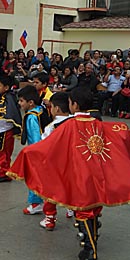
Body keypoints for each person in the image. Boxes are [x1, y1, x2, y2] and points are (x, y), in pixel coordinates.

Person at [8, 87, 130, 260]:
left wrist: (28, 153)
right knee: (95, 205)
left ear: (74, 105)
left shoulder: (67, 127)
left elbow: (48, 146)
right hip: (99, 173)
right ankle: (93, 235)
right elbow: (120, 134)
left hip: (80, 174)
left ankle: (90, 248)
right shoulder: (98, 124)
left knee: (82, 208)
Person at [36, 91, 73, 230]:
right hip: (73, 165)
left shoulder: (52, 127)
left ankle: (50, 219)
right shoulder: (75, 123)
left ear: (56, 108)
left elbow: (44, 146)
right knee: (71, 188)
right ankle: (72, 209)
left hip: (56, 166)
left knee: (51, 192)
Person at [16, 86, 51, 215]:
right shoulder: (41, 110)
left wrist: (34, 152)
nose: (19, 104)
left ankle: (36, 203)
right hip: (46, 148)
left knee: (33, 177)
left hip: (37, 151)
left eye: (21, 101)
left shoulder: (31, 117)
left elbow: (35, 137)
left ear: (30, 102)